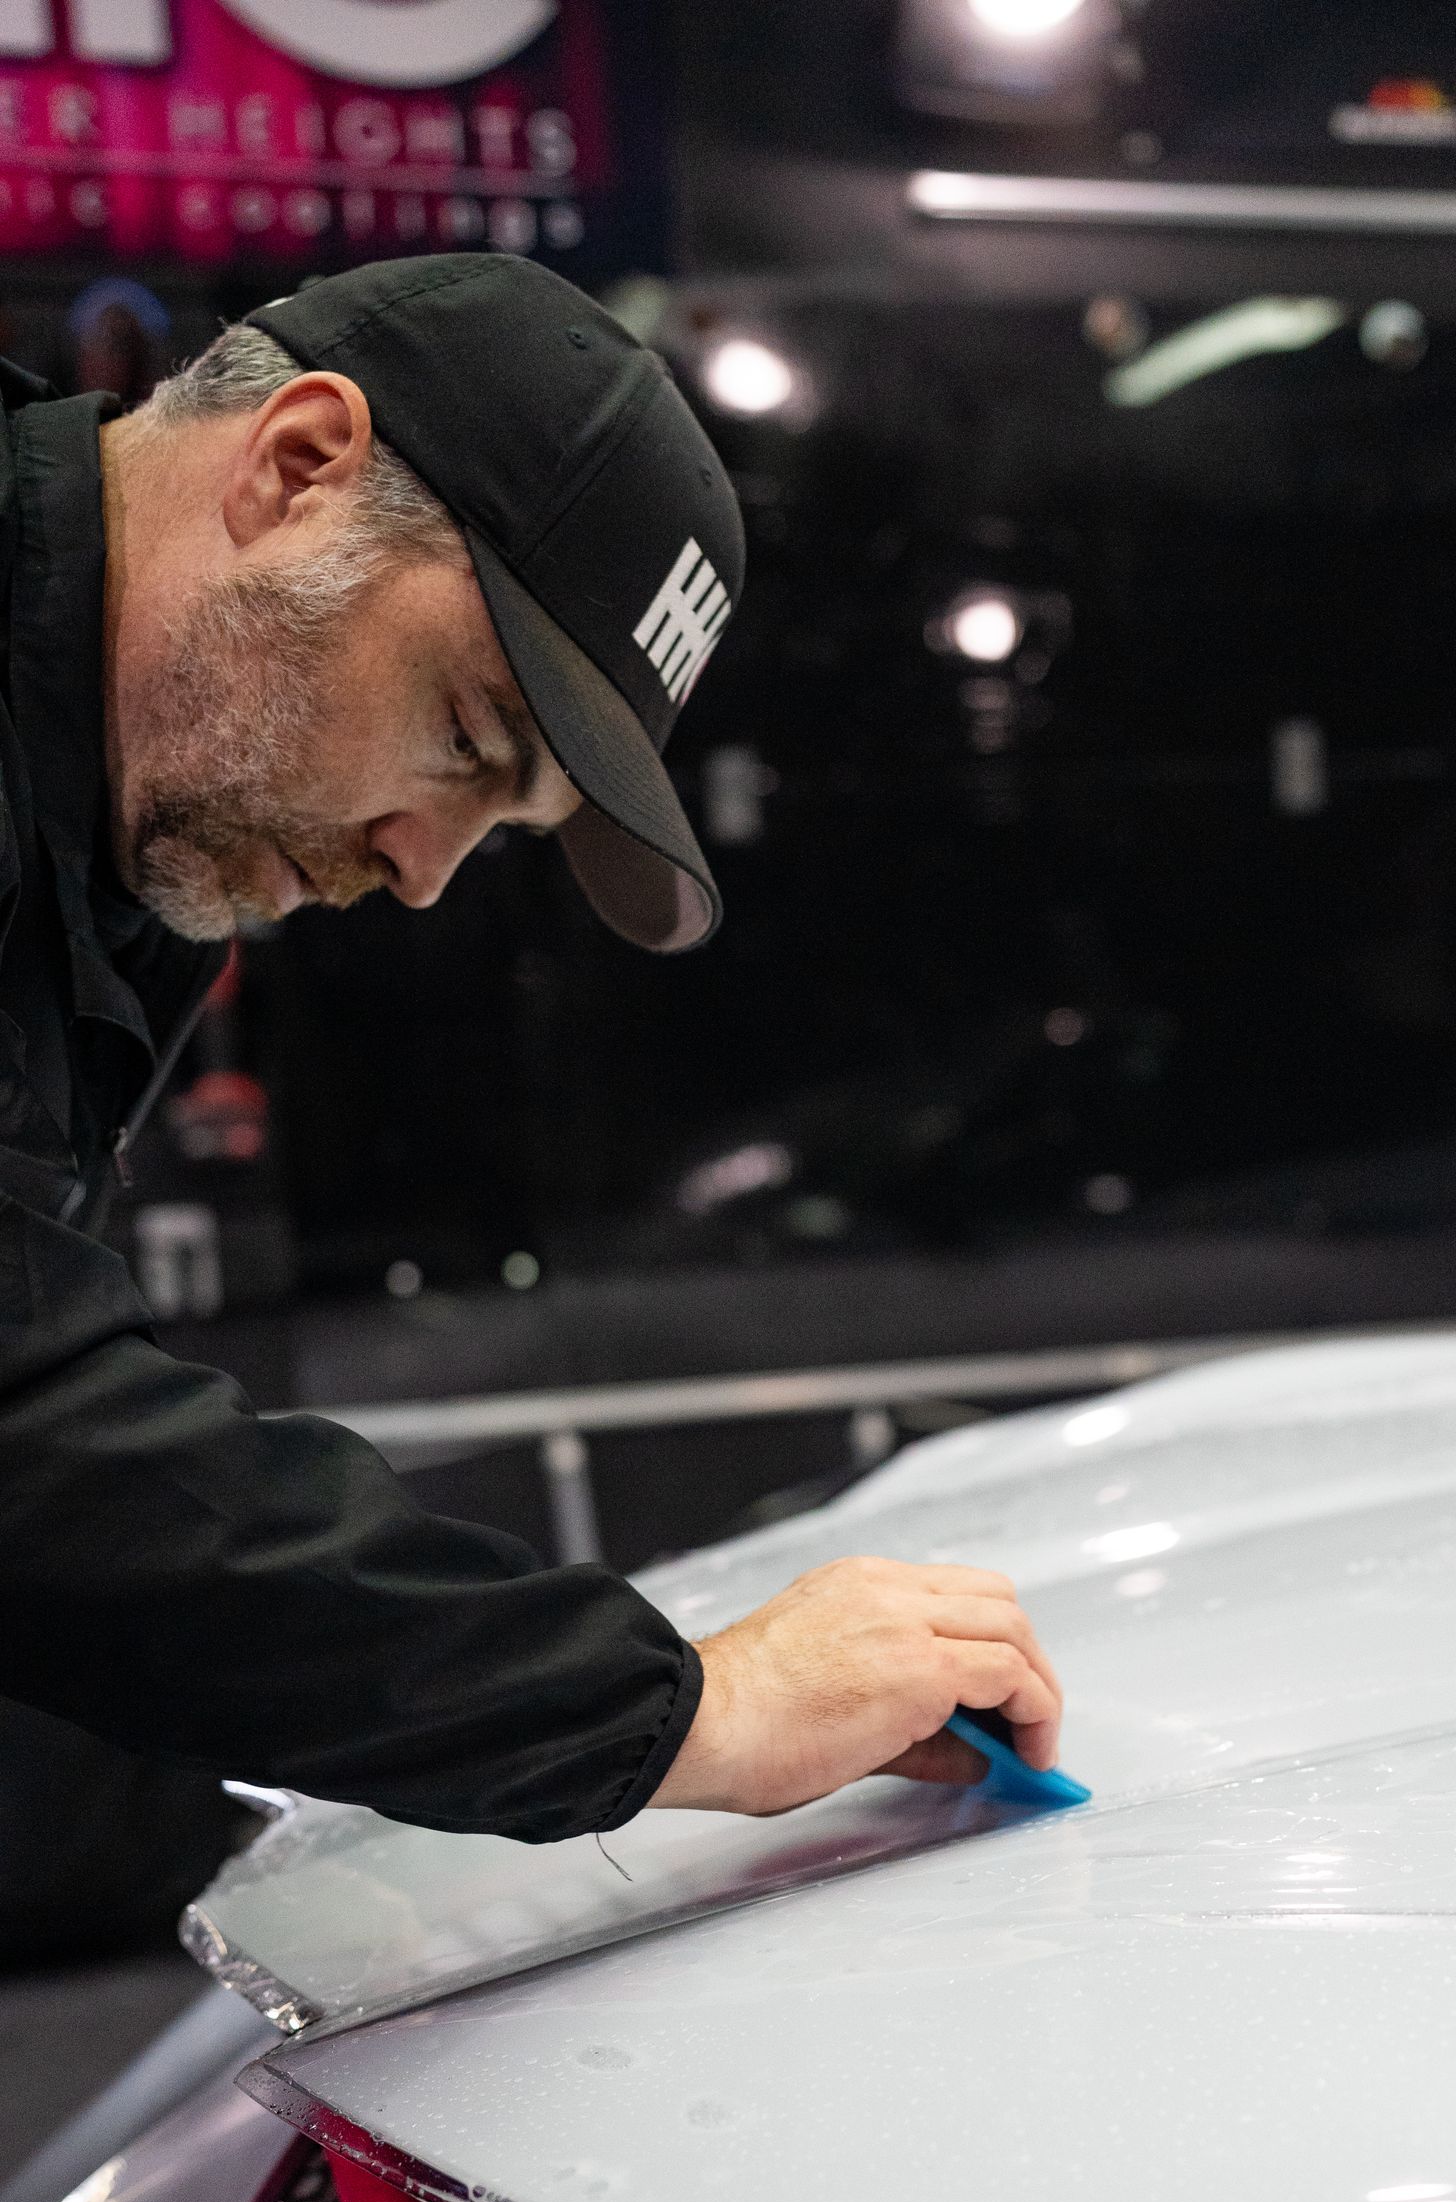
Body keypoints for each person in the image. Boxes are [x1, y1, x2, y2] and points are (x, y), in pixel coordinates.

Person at [0, 252, 1063, 1885]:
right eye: (464, 740)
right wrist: (694, 1713)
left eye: (504, 826)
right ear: (297, 468)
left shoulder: (107, 847)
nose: (424, 871)